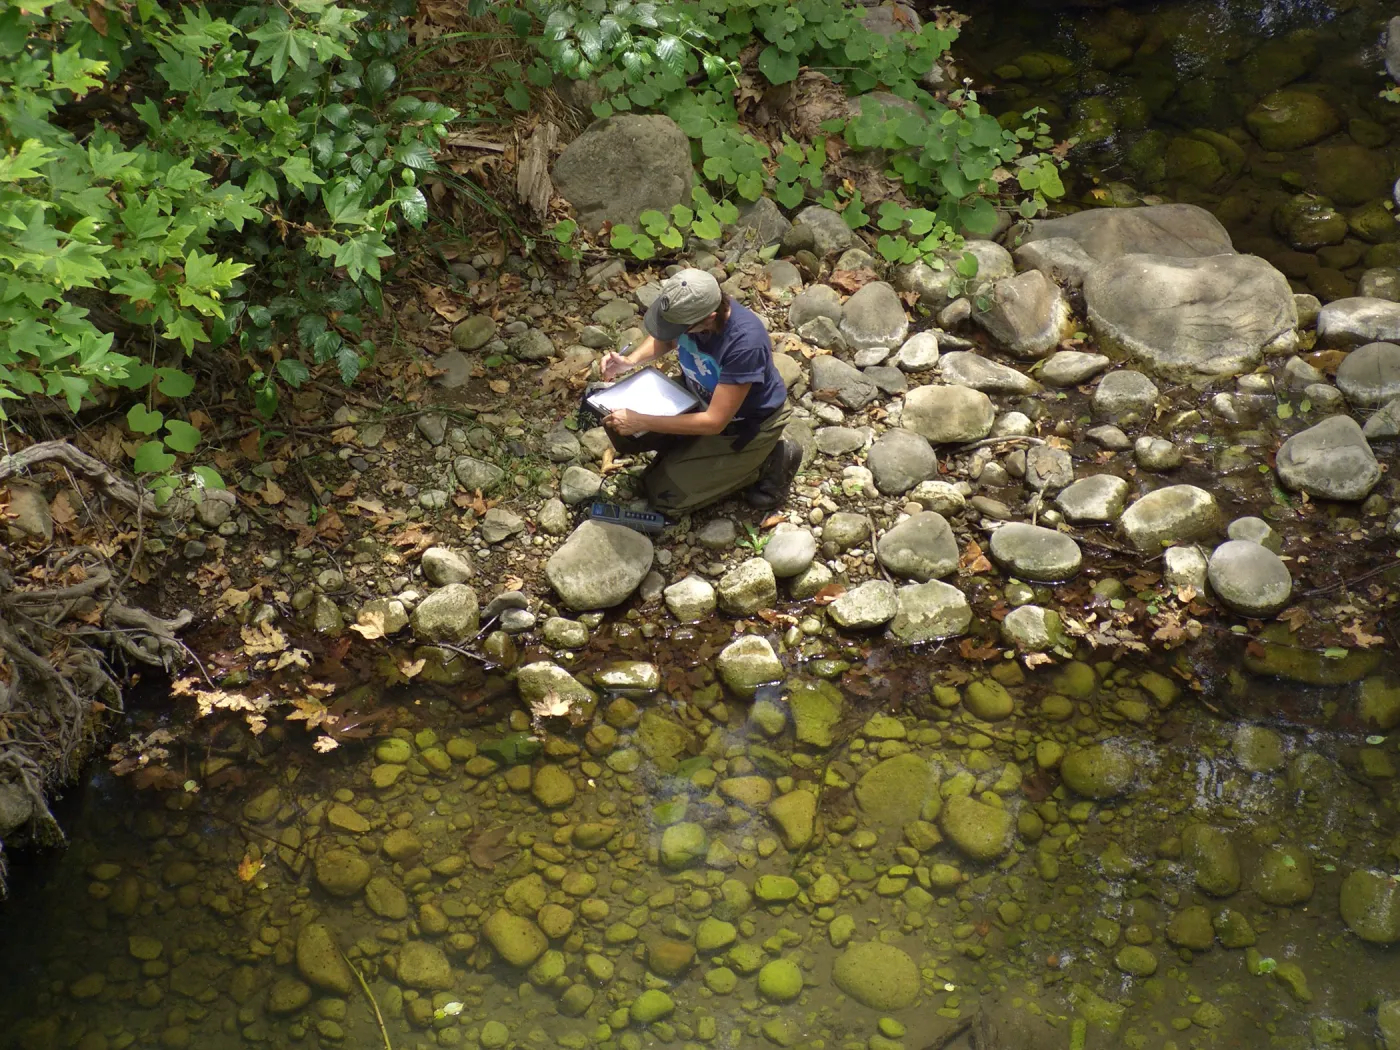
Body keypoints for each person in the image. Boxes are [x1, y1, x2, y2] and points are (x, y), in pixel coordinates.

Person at [598, 267, 802, 514]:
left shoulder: (744, 343)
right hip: (697, 394)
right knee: (618, 427)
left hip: (744, 423)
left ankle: (768, 461)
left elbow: (714, 422)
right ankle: (687, 455)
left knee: (664, 496)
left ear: (709, 318)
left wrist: (642, 421)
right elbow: (666, 338)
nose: (674, 332)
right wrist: (630, 362)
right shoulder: (691, 311)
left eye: (680, 328)